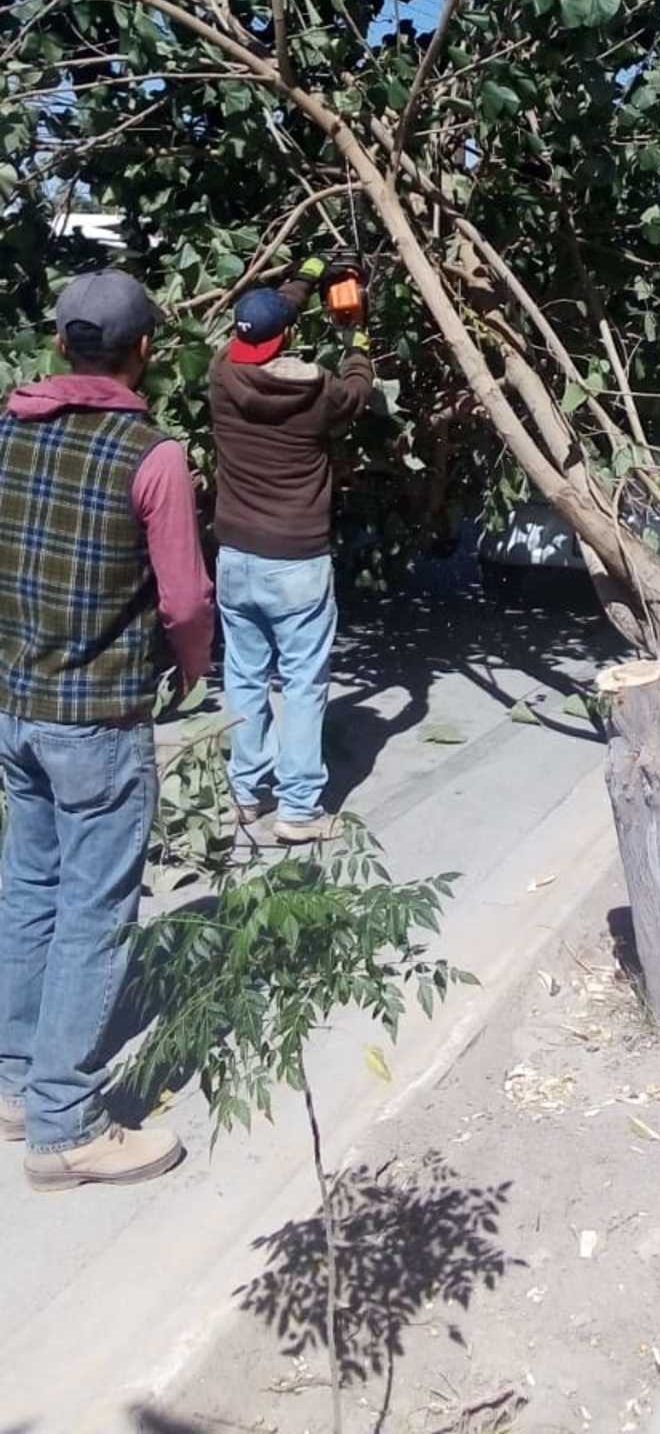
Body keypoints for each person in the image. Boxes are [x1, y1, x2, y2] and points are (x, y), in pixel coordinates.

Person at [0, 269, 214, 1190]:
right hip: (99, 719)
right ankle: (65, 1124)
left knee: (27, 892)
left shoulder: (6, 428)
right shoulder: (152, 454)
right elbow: (186, 598)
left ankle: (13, 1084)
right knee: (95, 913)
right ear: (145, 352)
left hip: (16, 710)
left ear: (58, 344)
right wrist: (196, 671)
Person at [209, 259, 372, 842]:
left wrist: (306, 274)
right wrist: (357, 331)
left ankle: (245, 794)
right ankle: (299, 810)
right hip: (297, 561)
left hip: (236, 557)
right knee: (302, 683)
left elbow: (271, 317)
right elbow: (357, 388)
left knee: (244, 675)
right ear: (289, 338)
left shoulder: (222, 372)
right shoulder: (317, 392)